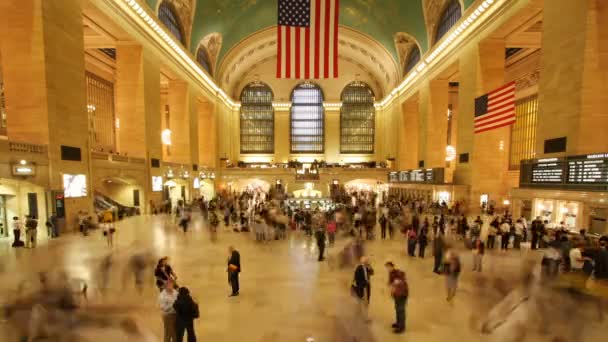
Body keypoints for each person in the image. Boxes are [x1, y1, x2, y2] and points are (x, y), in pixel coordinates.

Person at [385, 261, 408, 334]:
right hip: (396, 295)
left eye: (388, 267)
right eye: (387, 268)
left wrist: (395, 283)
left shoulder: (398, 272)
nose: (388, 269)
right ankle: (398, 323)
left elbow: (402, 278)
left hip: (402, 295)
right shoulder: (391, 273)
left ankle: (401, 327)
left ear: (392, 266)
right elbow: (390, 283)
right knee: (397, 309)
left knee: (401, 310)